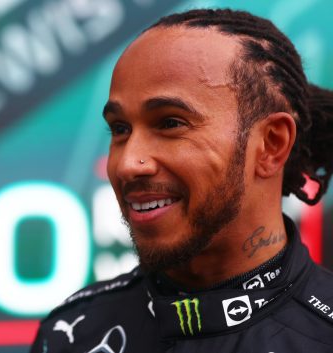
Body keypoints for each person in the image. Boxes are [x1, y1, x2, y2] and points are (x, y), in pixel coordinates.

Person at [29, 8, 333, 353]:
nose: (129, 164)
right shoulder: (72, 334)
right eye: (120, 129)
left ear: (271, 144)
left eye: (170, 123)